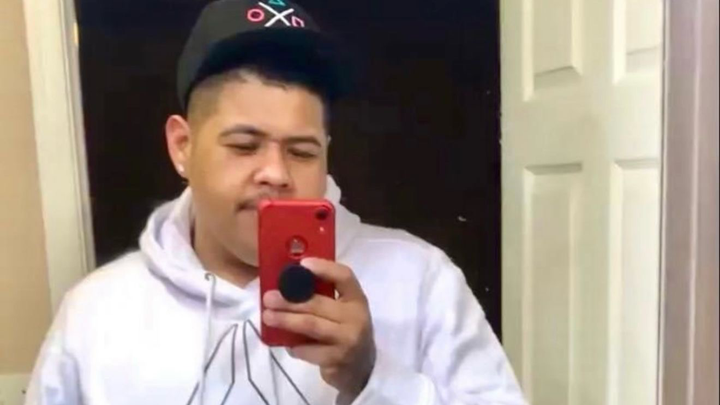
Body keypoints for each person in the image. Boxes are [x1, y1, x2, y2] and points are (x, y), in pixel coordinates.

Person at [26, 0, 527, 404]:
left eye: (302, 151)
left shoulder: (421, 281)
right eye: (244, 145)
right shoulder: (96, 314)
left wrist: (373, 378)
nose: (276, 173)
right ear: (183, 147)